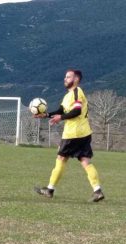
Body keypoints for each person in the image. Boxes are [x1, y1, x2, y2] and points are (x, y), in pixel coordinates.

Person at [34, 69, 105, 202]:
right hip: (84, 133)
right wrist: (46, 115)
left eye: (68, 77)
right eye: (65, 77)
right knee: (85, 161)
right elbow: (61, 110)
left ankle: (49, 189)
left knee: (61, 158)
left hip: (73, 133)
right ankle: (97, 190)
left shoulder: (77, 92)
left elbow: (77, 111)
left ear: (76, 79)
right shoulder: (68, 96)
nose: (65, 79)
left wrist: (60, 118)